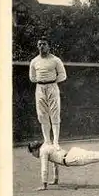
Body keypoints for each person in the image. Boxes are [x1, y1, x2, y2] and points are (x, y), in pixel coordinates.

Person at [29, 37, 67, 184]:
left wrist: (51, 82)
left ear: (48, 46)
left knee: (55, 114)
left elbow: (63, 75)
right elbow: (32, 77)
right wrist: (43, 83)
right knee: (42, 115)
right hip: (39, 88)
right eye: (39, 44)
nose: (41, 46)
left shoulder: (55, 60)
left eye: (44, 44)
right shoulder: (34, 61)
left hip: (52, 87)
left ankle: (56, 141)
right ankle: (47, 140)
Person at [27, 141, 99, 191]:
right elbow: (55, 163)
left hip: (73, 158)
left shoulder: (43, 151)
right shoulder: (46, 146)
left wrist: (44, 185)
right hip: (72, 154)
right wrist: (55, 180)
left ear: (36, 149)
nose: (33, 155)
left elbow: (44, 168)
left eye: (32, 153)